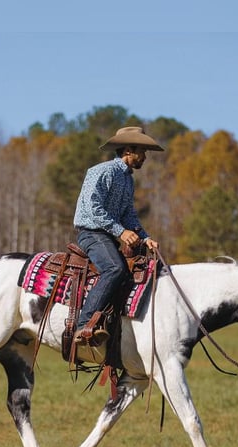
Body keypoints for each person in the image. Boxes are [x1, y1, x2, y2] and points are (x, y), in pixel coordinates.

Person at [72, 126, 164, 346]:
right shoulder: (102, 171)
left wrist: (145, 237)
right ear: (129, 150)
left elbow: (128, 215)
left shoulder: (128, 180)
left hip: (108, 235)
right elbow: (92, 207)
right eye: (142, 151)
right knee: (115, 268)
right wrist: (121, 231)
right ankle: (83, 325)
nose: (145, 157)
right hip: (92, 233)